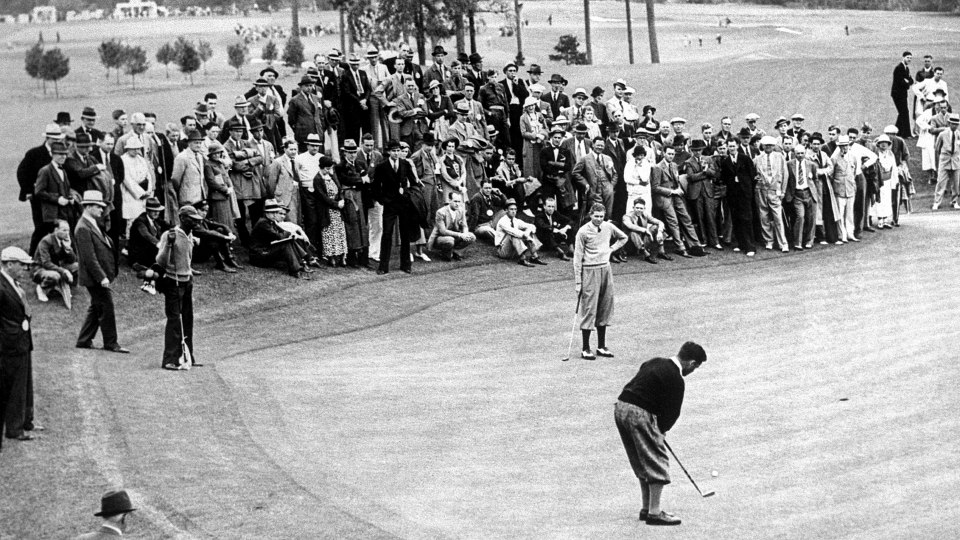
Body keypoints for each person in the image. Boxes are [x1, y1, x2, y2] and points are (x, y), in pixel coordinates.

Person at [614, 341, 708, 526]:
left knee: (641, 458)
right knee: (656, 459)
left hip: (620, 408)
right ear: (690, 362)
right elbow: (672, 413)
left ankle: (646, 508)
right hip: (638, 413)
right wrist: (660, 432)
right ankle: (655, 513)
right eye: (695, 367)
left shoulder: (655, 362)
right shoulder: (676, 378)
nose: (693, 370)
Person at [74, 191, 128, 354]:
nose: (101, 210)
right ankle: (111, 343)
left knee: (96, 307)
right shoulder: (83, 227)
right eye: (98, 207)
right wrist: (101, 277)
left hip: (97, 276)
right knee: (106, 307)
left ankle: (84, 340)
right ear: (88, 206)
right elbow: (89, 258)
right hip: (94, 278)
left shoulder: (91, 222)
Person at [572, 203, 627, 360]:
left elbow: (623, 238)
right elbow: (577, 258)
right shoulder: (582, 231)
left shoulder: (608, 227)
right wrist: (578, 282)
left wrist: (611, 249)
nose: (599, 219)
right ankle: (585, 348)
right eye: (596, 216)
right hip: (589, 271)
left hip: (605, 269)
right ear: (590, 215)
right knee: (590, 307)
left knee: (605, 306)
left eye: (601, 216)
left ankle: (601, 346)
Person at [152, 206, 203, 370]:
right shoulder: (170, 235)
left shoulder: (190, 235)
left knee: (188, 319)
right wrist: (168, 245)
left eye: (196, 219)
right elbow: (160, 261)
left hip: (187, 281)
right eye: (192, 219)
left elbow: (187, 259)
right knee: (174, 320)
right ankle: (170, 359)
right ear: (182, 218)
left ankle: (187, 356)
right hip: (173, 282)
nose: (196, 221)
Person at [0, 246, 38, 450]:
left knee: (24, 383)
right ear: (9, 264)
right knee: (14, 386)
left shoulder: (13, 284)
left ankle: (25, 420)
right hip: (10, 344)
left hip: (21, 341)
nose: (24, 269)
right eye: (21, 265)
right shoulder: (2, 286)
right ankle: (14, 428)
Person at [373, 141, 420, 274]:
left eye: (398, 150)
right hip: (389, 205)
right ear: (388, 152)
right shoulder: (381, 166)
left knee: (405, 234)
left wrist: (408, 194)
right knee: (387, 233)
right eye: (393, 150)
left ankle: (405, 265)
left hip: (404, 204)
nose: (396, 153)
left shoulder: (405, 164)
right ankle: (383, 267)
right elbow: (376, 186)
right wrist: (382, 200)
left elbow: (414, 182)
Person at [651, 146, 705, 258]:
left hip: (676, 195)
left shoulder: (674, 165)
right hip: (664, 197)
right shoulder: (657, 167)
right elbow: (655, 187)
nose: (671, 156)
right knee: (673, 221)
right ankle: (680, 247)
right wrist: (672, 191)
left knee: (686, 218)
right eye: (669, 154)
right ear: (663, 153)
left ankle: (696, 246)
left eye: (672, 154)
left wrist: (678, 189)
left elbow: (676, 180)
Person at [249, 199, 318, 280]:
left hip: (266, 251)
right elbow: (279, 236)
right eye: (272, 212)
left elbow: (283, 232)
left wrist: (290, 234)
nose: (275, 215)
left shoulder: (270, 221)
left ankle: (302, 263)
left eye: (276, 212)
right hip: (258, 256)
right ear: (266, 213)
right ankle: (296, 270)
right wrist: (290, 234)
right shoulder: (263, 223)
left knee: (289, 240)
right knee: (285, 244)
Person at [34, 141, 79, 242]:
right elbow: (39, 192)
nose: (63, 157)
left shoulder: (63, 170)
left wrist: (70, 198)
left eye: (65, 154)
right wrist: (57, 199)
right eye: (59, 154)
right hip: (53, 215)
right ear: (51, 154)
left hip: (66, 212)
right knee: (55, 243)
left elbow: (66, 189)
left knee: (68, 241)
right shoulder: (45, 171)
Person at [719, 139, 757, 256]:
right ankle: (741, 244)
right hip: (733, 195)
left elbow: (753, 176)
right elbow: (724, 178)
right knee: (736, 219)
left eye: (733, 146)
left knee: (747, 219)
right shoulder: (725, 162)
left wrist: (747, 189)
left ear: (737, 146)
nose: (732, 148)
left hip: (745, 194)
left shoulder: (745, 158)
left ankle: (750, 247)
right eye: (730, 146)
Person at [753, 136, 789, 251]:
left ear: (774, 146)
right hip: (761, 190)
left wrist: (782, 191)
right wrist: (757, 179)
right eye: (766, 145)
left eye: (770, 145)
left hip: (775, 191)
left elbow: (785, 175)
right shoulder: (757, 159)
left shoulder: (780, 157)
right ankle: (769, 240)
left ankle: (783, 243)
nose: (768, 147)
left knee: (778, 217)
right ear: (762, 146)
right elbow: (753, 174)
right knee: (764, 216)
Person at [33, 219, 79, 307]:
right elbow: (46, 263)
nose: (67, 233)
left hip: (55, 265)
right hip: (40, 268)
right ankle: (42, 287)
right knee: (55, 276)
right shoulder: (46, 241)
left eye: (68, 230)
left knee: (77, 266)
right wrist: (64, 271)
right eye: (64, 230)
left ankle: (65, 285)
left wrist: (68, 249)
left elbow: (72, 260)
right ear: (56, 230)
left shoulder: (65, 240)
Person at [166, 130, 207, 227]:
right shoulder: (182, 157)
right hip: (187, 197)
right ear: (189, 143)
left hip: (199, 197)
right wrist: (183, 190)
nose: (198, 145)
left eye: (200, 143)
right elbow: (175, 179)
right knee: (188, 222)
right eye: (195, 143)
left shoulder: (200, 156)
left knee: (198, 222)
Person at [315, 155, 349, 266]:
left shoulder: (332, 176)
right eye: (327, 168)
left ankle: (342, 256)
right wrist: (336, 204)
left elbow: (339, 189)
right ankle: (331, 257)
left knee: (340, 232)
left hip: (338, 210)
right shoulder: (318, 179)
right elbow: (322, 197)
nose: (329, 171)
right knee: (329, 233)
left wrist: (342, 200)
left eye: (330, 168)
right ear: (322, 167)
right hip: (327, 210)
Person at [783, 145, 817, 250]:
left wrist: (813, 193)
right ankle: (798, 242)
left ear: (805, 153)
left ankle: (809, 241)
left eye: (802, 153)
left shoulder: (811, 164)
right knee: (800, 217)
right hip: (797, 195)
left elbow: (815, 179)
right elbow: (787, 180)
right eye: (798, 153)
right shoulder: (789, 164)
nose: (800, 155)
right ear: (795, 154)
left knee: (811, 218)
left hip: (809, 193)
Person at [494, 198, 545, 267]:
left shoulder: (515, 220)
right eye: (511, 209)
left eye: (515, 209)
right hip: (503, 251)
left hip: (513, 250)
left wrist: (527, 231)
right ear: (506, 210)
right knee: (513, 234)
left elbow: (532, 226)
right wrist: (525, 234)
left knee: (528, 230)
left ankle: (535, 257)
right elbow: (513, 232)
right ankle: (522, 259)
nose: (514, 211)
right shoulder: (502, 221)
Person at [427, 191, 475, 261]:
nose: (457, 204)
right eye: (455, 201)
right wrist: (460, 235)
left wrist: (465, 234)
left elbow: (465, 226)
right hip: (440, 238)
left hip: (454, 236)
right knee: (450, 241)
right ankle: (445, 253)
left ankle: (455, 252)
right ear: (449, 200)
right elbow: (443, 231)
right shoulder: (440, 212)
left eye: (459, 202)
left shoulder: (461, 211)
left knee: (471, 236)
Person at [622, 197, 669, 264]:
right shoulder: (627, 216)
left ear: (644, 209)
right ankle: (647, 255)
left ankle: (661, 252)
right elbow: (630, 226)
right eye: (637, 208)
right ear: (633, 208)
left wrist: (660, 232)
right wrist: (645, 230)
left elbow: (660, 222)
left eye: (641, 208)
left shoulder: (645, 215)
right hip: (630, 244)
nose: (639, 210)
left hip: (642, 240)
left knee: (656, 227)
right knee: (633, 232)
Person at [932, 113, 960, 210]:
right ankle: (937, 202)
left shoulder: (959, 134)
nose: (955, 126)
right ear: (949, 124)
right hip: (944, 160)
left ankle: (954, 201)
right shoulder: (942, 134)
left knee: (956, 183)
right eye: (953, 124)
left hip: (956, 161)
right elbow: (937, 148)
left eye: (956, 124)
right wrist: (943, 156)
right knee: (941, 182)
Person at [891, 51, 914, 138]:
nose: (909, 59)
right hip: (897, 94)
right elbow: (900, 82)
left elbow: (911, 80)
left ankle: (897, 132)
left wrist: (907, 81)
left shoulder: (906, 69)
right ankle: (905, 133)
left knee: (903, 112)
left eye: (910, 58)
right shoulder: (899, 68)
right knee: (903, 112)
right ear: (903, 57)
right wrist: (907, 82)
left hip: (903, 94)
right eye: (908, 58)